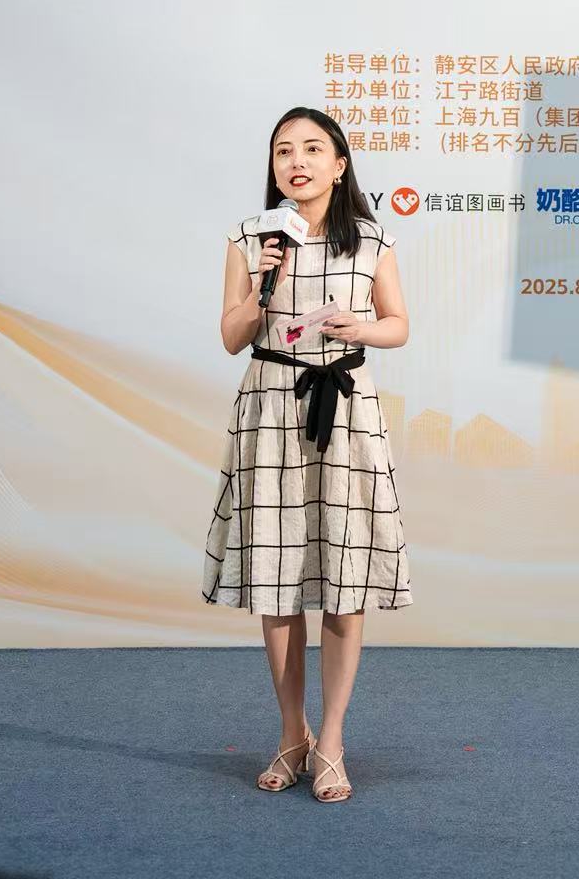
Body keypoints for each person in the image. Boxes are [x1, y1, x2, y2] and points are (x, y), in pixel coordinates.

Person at [202, 106, 412, 803]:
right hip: (271, 408)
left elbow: (398, 325)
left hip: (345, 408)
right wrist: (262, 288)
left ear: (340, 165)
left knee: (345, 579)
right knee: (277, 577)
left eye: (313, 149)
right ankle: (292, 734)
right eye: (284, 151)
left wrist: (362, 328)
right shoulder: (249, 238)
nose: (297, 161)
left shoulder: (373, 240)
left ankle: (333, 742)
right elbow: (231, 336)